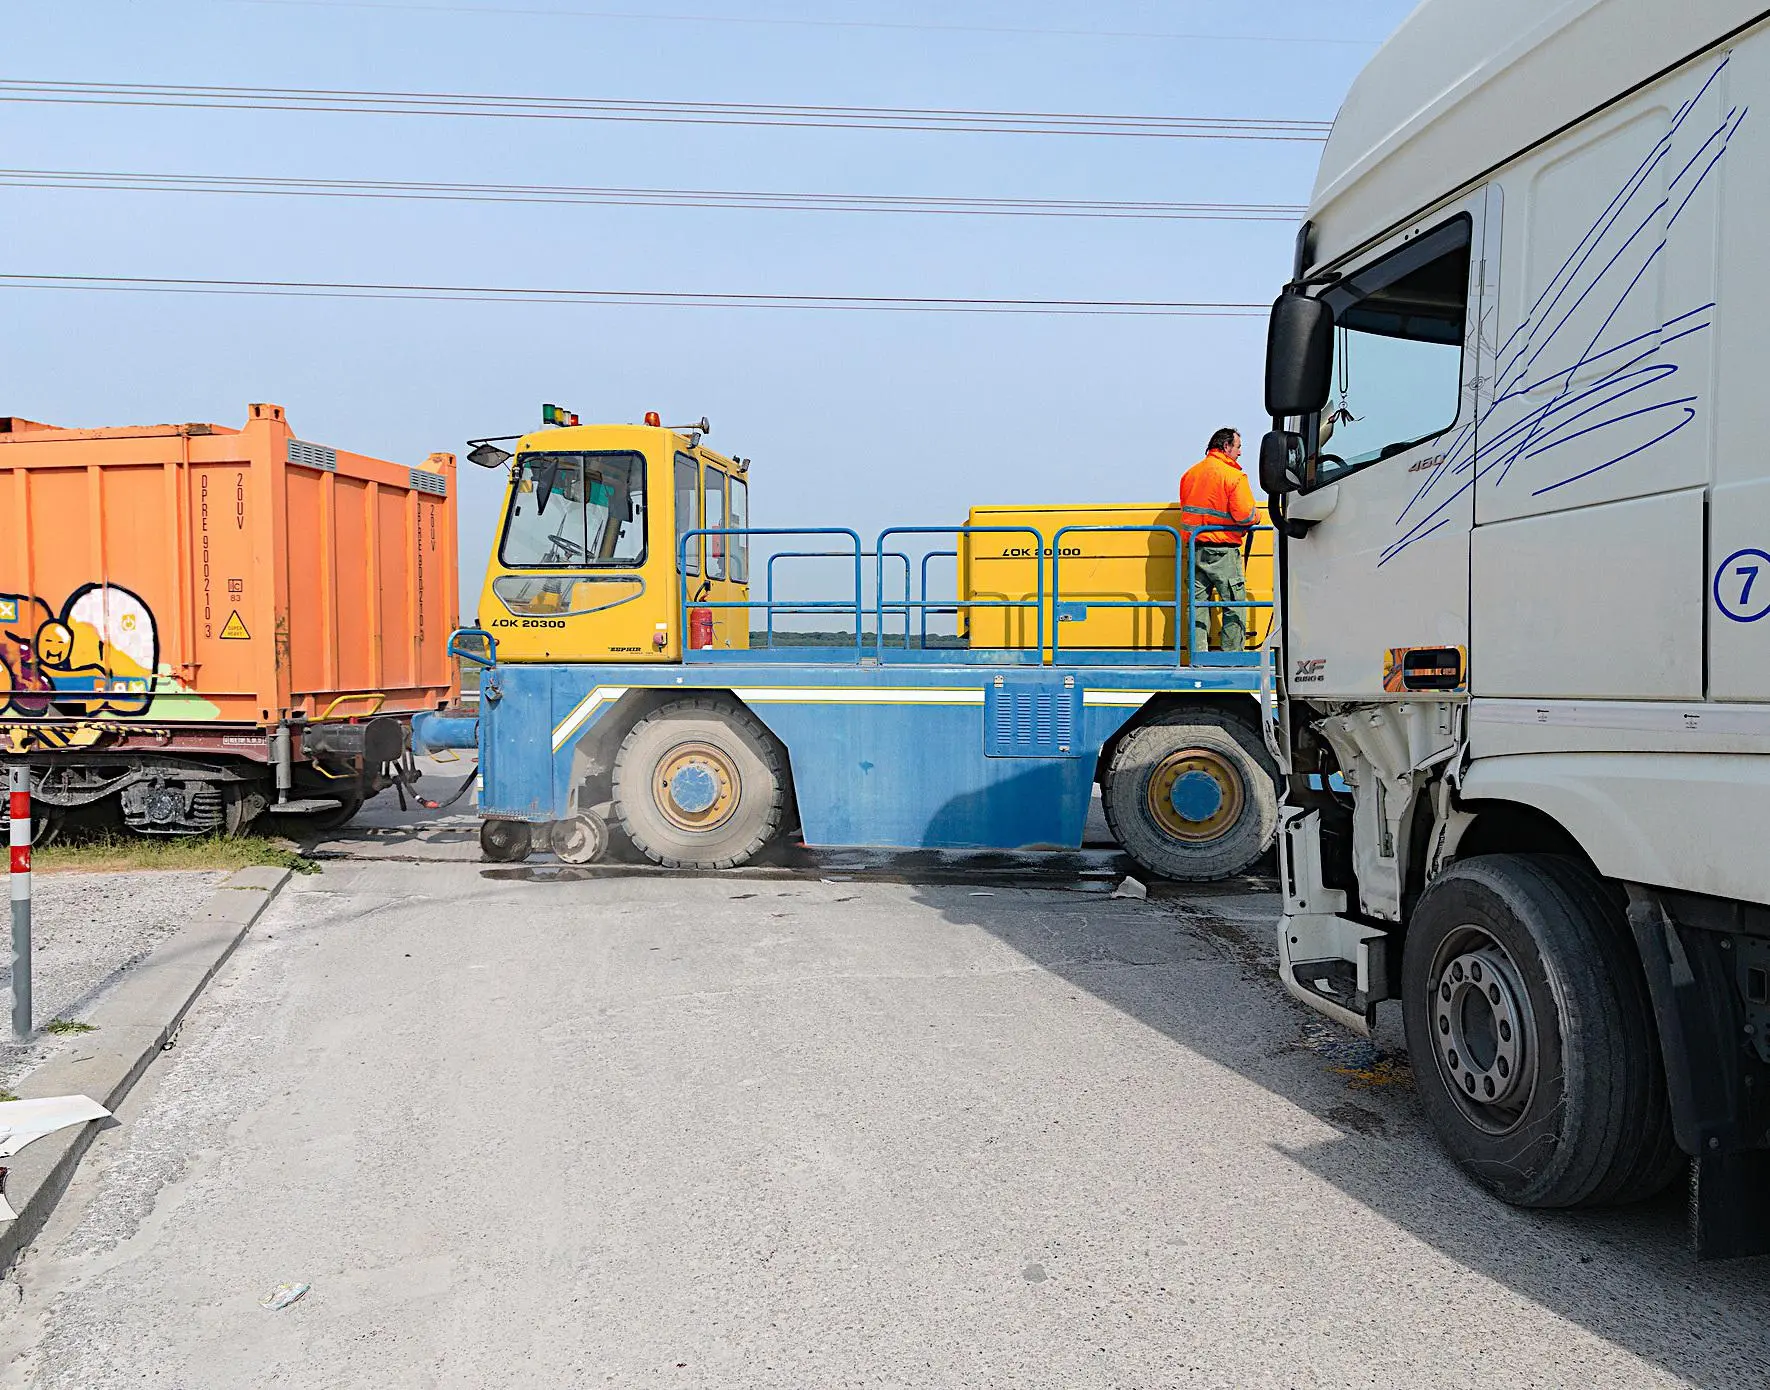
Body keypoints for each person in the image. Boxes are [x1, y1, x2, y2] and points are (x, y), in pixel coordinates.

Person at [1178, 427, 1258, 655]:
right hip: (1224, 551)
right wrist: (1257, 515)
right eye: (1238, 447)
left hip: (1195, 550)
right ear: (1226, 446)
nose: (1240, 453)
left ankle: (1198, 656)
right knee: (1234, 605)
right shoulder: (1233, 476)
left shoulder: (1189, 475)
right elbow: (1245, 515)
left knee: (1197, 606)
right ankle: (1232, 659)